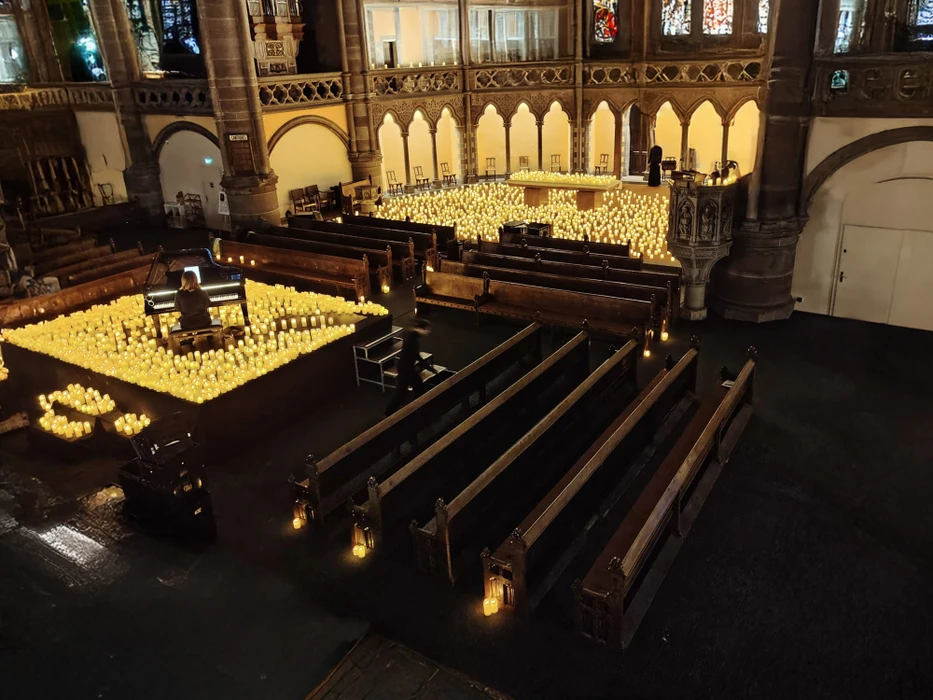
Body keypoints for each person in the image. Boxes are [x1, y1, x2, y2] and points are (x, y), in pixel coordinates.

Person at [385, 319, 435, 416]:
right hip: (406, 368)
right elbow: (415, 355)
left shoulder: (412, 336)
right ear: (421, 329)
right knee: (406, 389)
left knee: (410, 388)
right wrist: (428, 367)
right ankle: (390, 412)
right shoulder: (413, 339)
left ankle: (391, 411)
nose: (428, 331)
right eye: (427, 329)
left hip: (405, 367)